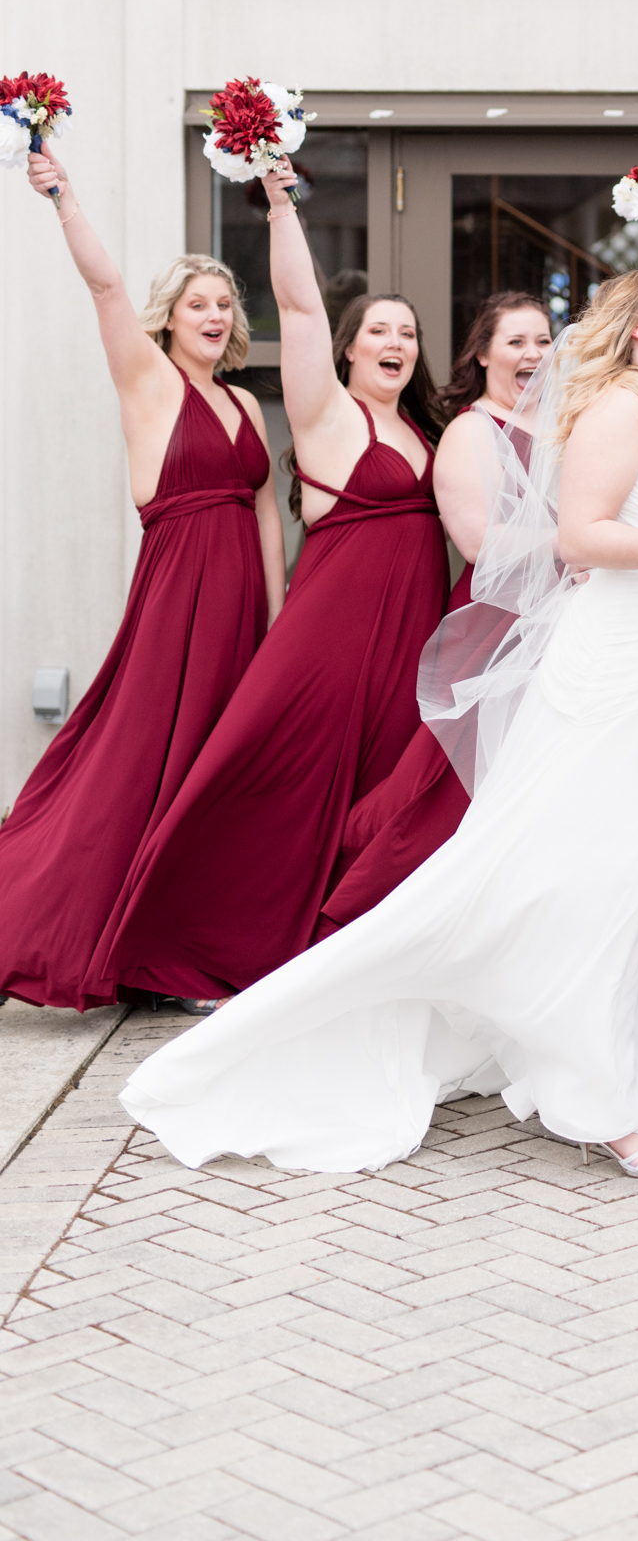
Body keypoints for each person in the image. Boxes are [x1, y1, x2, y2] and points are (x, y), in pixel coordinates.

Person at [118, 270, 638, 1178]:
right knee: (594, 881)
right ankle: (602, 1097)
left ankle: (590, 1062)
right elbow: (577, 538)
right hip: (620, 669)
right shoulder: (619, 405)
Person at [93, 157, 450, 1002]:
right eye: (378, 331)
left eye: (408, 332)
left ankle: (354, 947)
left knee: (384, 796)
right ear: (348, 351)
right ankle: (180, 943)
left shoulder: (432, 435)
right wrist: (281, 203)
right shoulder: (326, 412)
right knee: (274, 786)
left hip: (407, 640)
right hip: (333, 637)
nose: (395, 342)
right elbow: (295, 302)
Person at [0, 150, 284, 1012]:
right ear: (170, 319)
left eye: (225, 303)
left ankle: (170, 952)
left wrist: (276, 622)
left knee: (210, 777)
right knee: (133, 764)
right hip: (177, 597)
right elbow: (105, 290)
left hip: (241, 606)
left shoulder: (242, 404)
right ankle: (22, 920)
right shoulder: (148, 380)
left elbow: (267, 510)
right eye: (197, 303)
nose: (213, 313)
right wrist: (65, 201)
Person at [315, 293, 553, 934]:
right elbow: (478, 543)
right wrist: (576, 541)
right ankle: (363, 911)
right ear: (482, 354)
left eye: (542, 340)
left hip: (552, 625)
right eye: (515, 342)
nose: (532, 354)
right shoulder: (472, 431)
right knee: (440, 787)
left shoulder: (557, 428)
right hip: (492, 626)